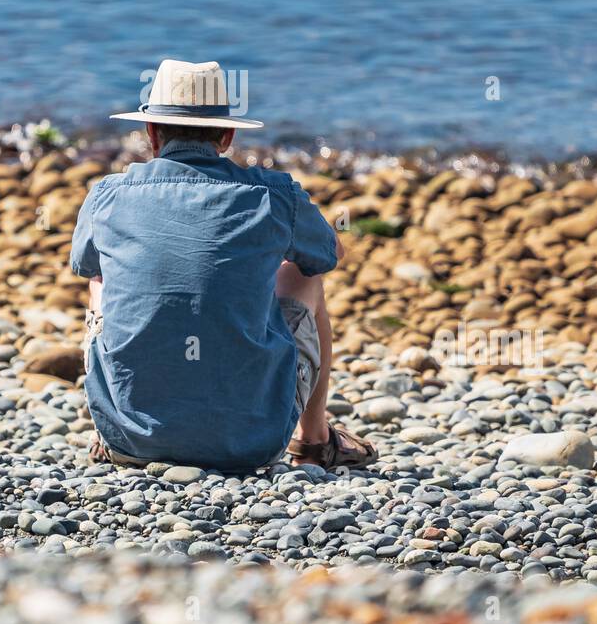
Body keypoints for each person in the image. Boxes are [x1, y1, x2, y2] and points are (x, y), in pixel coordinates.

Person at [70, 58, 375, 472]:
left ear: (151, 133)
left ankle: (115, 420)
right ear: (228, 136)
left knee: (101, 281)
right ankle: (314, 439)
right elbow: (328, 254)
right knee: (305, 276)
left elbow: (87, 264)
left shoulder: (108, 194)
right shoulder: (273, 195)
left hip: (129, 440)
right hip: (252, 442)